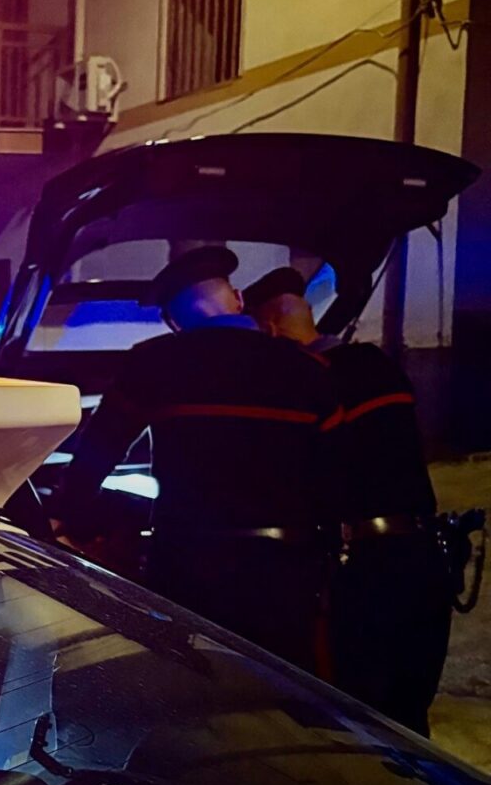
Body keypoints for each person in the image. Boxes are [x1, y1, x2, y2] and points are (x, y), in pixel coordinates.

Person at [50, 245, 339, 670]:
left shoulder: (155, 362)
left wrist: (66, 518)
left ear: (173, 319)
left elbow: (100, 449)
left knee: (192, 690)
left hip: (188, 568)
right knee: (279, 691)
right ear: (237, 299)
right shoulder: (309, 369)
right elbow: (334, 475)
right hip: (285, 574)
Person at [244, 265, 451, 733]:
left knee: (359, 715)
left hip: (361, 567)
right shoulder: (378, 365)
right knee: (410, 711)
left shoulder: (307, 381)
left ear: (270, 328)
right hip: (423, 555)